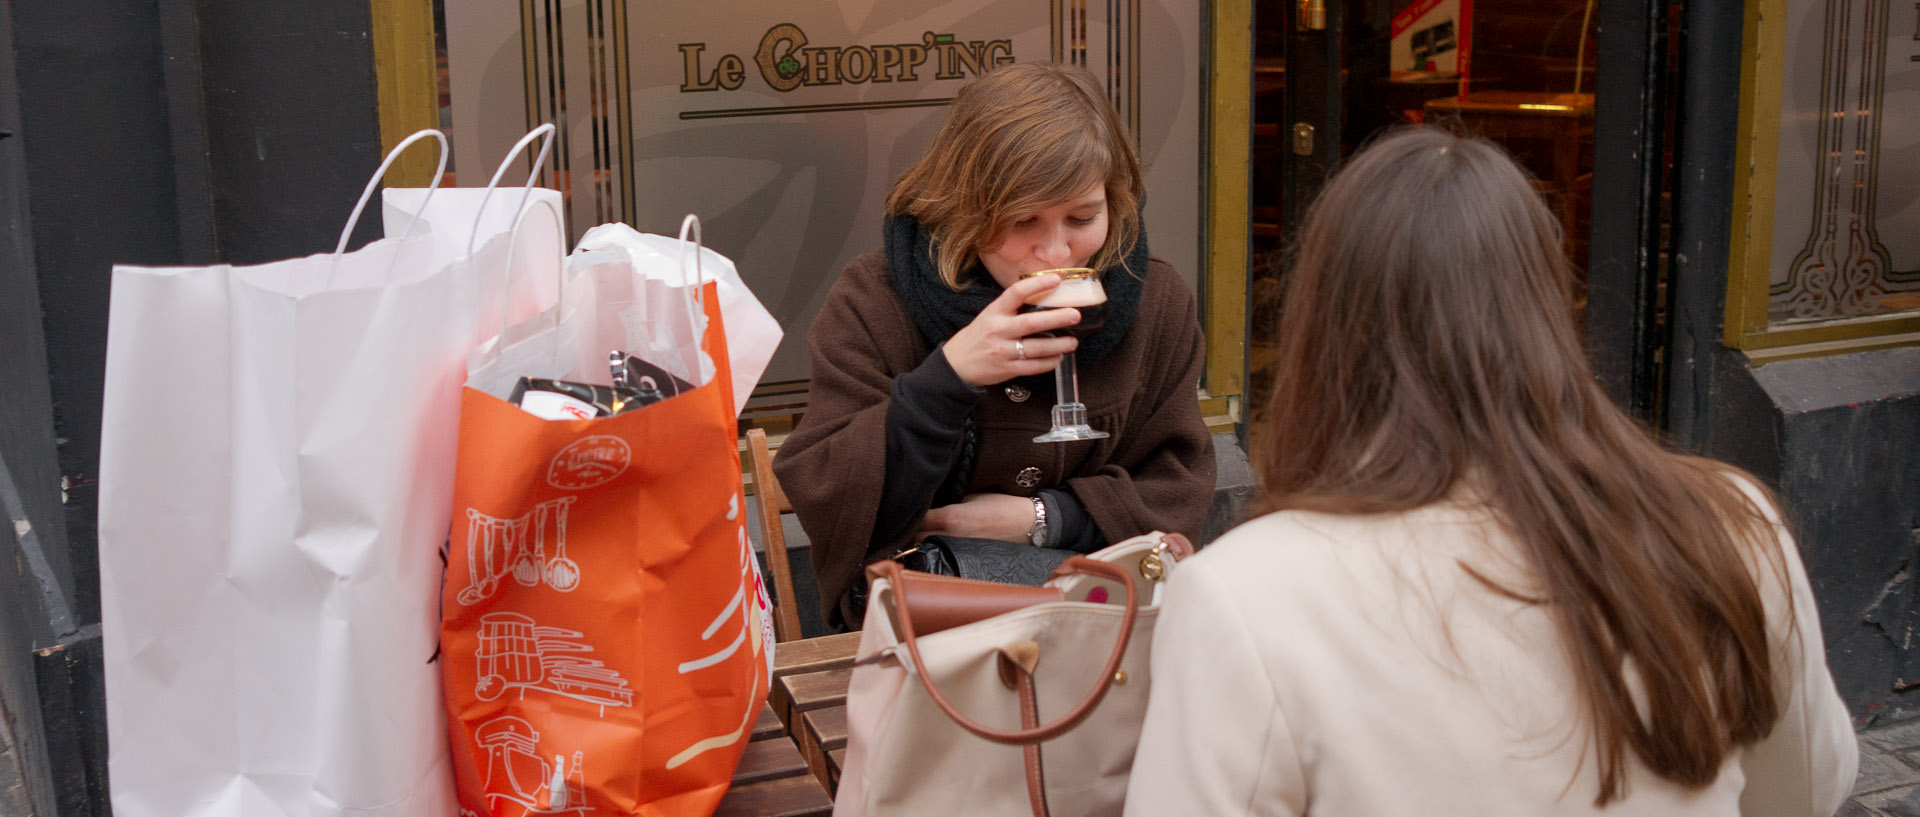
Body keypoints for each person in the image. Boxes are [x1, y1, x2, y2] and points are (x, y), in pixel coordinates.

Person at [1125, 129, 1857, 815]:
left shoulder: (1241, 593)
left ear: (1322, 330)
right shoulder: (1733, 523)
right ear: (1546, 308)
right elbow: (1806, 789)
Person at [774, 62, 1217, 630]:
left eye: (1083, 216)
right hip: (930, 642)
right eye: (1022, 220)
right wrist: (946, 379)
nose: (1056, 251)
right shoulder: (877, 300)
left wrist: (1044, 518)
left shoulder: (1154, 300)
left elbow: (1182, 483)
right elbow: (828, 495)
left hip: (1105, 631)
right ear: (966, 206)